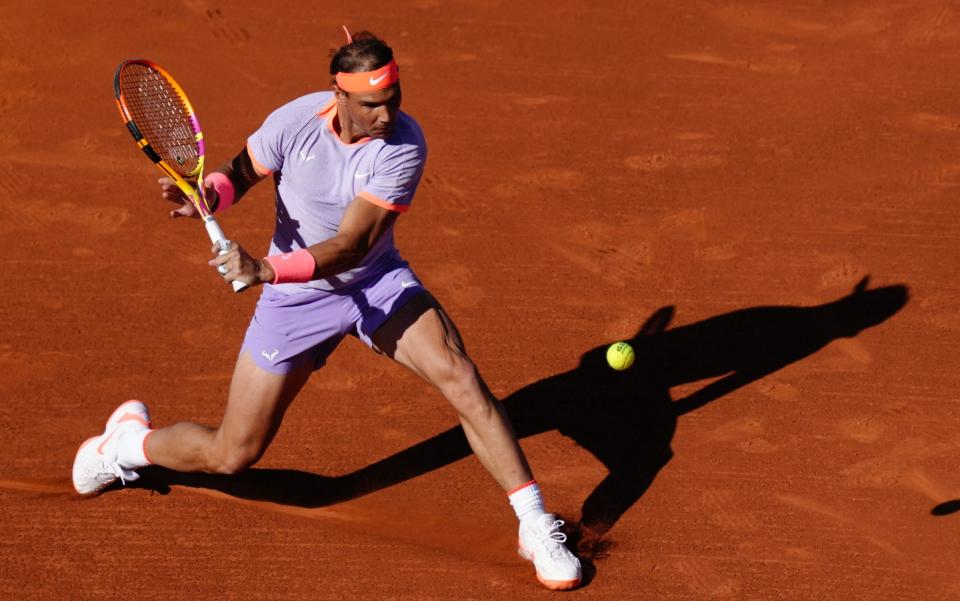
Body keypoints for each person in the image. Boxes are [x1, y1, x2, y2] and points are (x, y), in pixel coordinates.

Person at [72, 30, 581, 590]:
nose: (387, 115)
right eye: (372, 105)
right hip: (295, 303)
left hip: (375, 283)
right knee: (231, 453)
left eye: (394, 99)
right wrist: (207, 197)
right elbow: (239, 174)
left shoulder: (405, 146)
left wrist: (264, 268)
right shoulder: (294, 121)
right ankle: (126, 444)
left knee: (461, 378)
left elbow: (353, 246)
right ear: (338, 96)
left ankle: (534, 525)